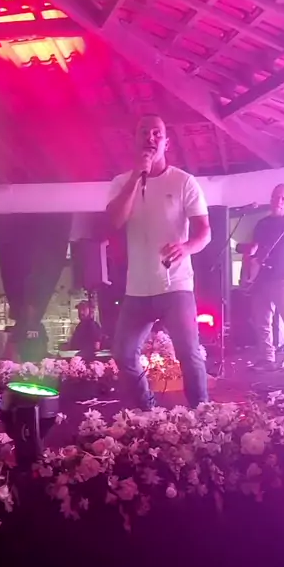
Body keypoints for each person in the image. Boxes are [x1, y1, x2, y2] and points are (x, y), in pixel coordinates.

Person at [106, 113, 211, 410]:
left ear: (166, 142)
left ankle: (202, 414)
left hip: (175, 285)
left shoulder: (184, 182)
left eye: (156, 133)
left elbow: (205, 232)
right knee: (123, 354)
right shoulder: (120, 182)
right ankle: (147, 409)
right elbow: (114, 221)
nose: (150, 138)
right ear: (135, 140)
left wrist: (186, 247)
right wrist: (136, 176)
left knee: (189, 353)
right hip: (137, 289)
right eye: (144, 133)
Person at [243, 184, 284, 370]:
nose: (278, 201)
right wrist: (251, 258)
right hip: (263, 276)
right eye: (276, 197)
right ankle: (267, 358)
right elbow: (256, 248)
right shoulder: (262, 223)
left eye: (283, 198)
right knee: (261, 320)